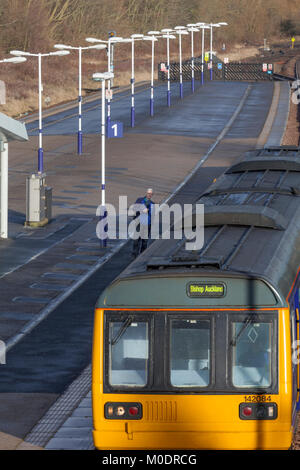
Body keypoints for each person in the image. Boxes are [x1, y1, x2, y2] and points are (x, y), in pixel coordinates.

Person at [131, 188, 155, 257]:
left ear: (152, 195)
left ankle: (142, 255)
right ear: (146, 193)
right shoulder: (140, 200)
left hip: (147, 224)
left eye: (151, 194)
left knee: (145, 242)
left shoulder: (152, 204)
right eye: (148, 193)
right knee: (136, 240)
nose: (149, 195)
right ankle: (134, 255)